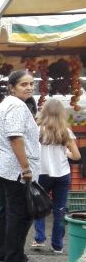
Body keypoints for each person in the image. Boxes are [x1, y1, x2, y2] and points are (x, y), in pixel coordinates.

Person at [0, 69, 41, 262]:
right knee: (20, 213)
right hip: (14, 168)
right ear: (12, 87)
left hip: (1, 164)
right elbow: (15, 137)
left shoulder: (6, 104)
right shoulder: (17, 106)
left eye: (31, 84)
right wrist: (26, 168)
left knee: (6, 210)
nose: (28, 87)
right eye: (23, 84)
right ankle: (14, 256)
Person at [32, 97, 81, 253]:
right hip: (62, 173)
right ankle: (57, 245)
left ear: (44, 111)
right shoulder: (66, 131)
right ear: (61, 114)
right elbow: (77, 156)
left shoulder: (37, 129)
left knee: (39, 206)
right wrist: (65, 152)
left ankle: (39, 239)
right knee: (59, 209)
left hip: (42, 173)